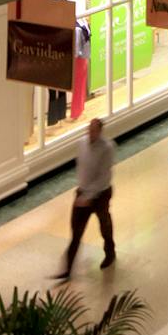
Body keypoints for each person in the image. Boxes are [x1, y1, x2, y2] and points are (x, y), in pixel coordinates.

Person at [58, 117, 116, 279]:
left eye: (93, 130)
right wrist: (82, 193)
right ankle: (67, 268)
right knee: (76, 232)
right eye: (89, 129)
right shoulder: (81, 143)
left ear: (100, 131)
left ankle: (110, 252)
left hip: (101, 194)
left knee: (104, 224)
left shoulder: (108, 148)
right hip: (82, 193)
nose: (90, 132)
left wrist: (89, 196)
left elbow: (104, 176)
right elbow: (81, 168)